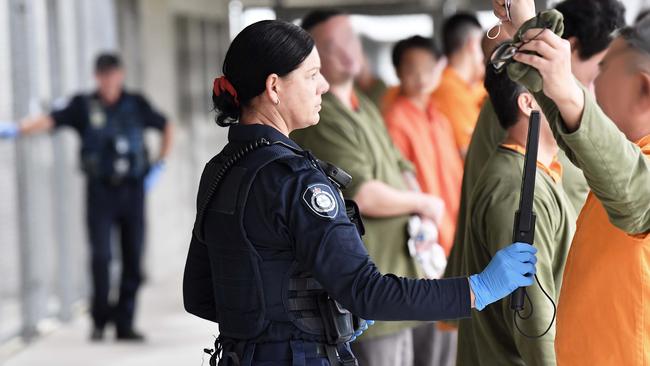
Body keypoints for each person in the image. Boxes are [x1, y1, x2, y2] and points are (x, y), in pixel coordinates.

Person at [183, 19, 538, 366]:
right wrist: (478, 288)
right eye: (311, 75)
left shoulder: (220, 170)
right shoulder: (297, 181)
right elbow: (368, 293)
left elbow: (199, 295)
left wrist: (276, 321)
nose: (322, 86)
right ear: (274, 88)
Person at [494, 0, 650, 364]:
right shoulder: (628, 153)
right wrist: (525, 25)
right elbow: (585, 140)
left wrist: (567, 89)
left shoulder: (630, 168)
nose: (593, 80)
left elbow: (635, 196)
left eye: (605, 66)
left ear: (644, 88)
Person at [291, 10, 448, 365]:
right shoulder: (322, 115)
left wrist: (422, 212)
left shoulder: (364, 105)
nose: (347, 50)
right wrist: (425, 203)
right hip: (371, 289)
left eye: (350, 38)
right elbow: (362, 193)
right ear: (314, 60)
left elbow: (401, 165)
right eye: (332, 46)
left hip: (404, 276)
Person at [444, 0, 625, 285]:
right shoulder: (528, 100)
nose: (601, 78)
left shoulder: (551, 103)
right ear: (572, 46)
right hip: (526, 295)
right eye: (601, 64)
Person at [0, 53, 174, 341]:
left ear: (121, 75)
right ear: (97, 77)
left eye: (113, 74)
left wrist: (160, 164)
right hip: (101, 192)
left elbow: (167, 125)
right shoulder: (83, 105)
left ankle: (124, 323)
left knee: (132, 258)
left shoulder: (136, 104)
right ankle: (100, 319)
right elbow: (49, 120)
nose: (108, 81)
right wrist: (16, 129)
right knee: (101, 257)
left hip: (132, 190)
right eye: (103, 75)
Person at [456, 63, 576, 366]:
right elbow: (535, 322)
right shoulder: (517, 190)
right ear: (528, 103)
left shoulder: (532, 174)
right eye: (558, 83)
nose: (573, 95)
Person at [382, 35, 464, 366]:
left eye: (428, 69)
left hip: (452, 236)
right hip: (425, 247)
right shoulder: (395, 119)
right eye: (411, 69)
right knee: (431, 346)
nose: (420, 77)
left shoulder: (438, 115)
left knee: (446, 344)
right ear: (399, 72)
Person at [431, 13, 487, 158]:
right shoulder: (448, 88)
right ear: (472, 44)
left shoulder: (473, 85)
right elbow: (469, 152)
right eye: (483, 43)